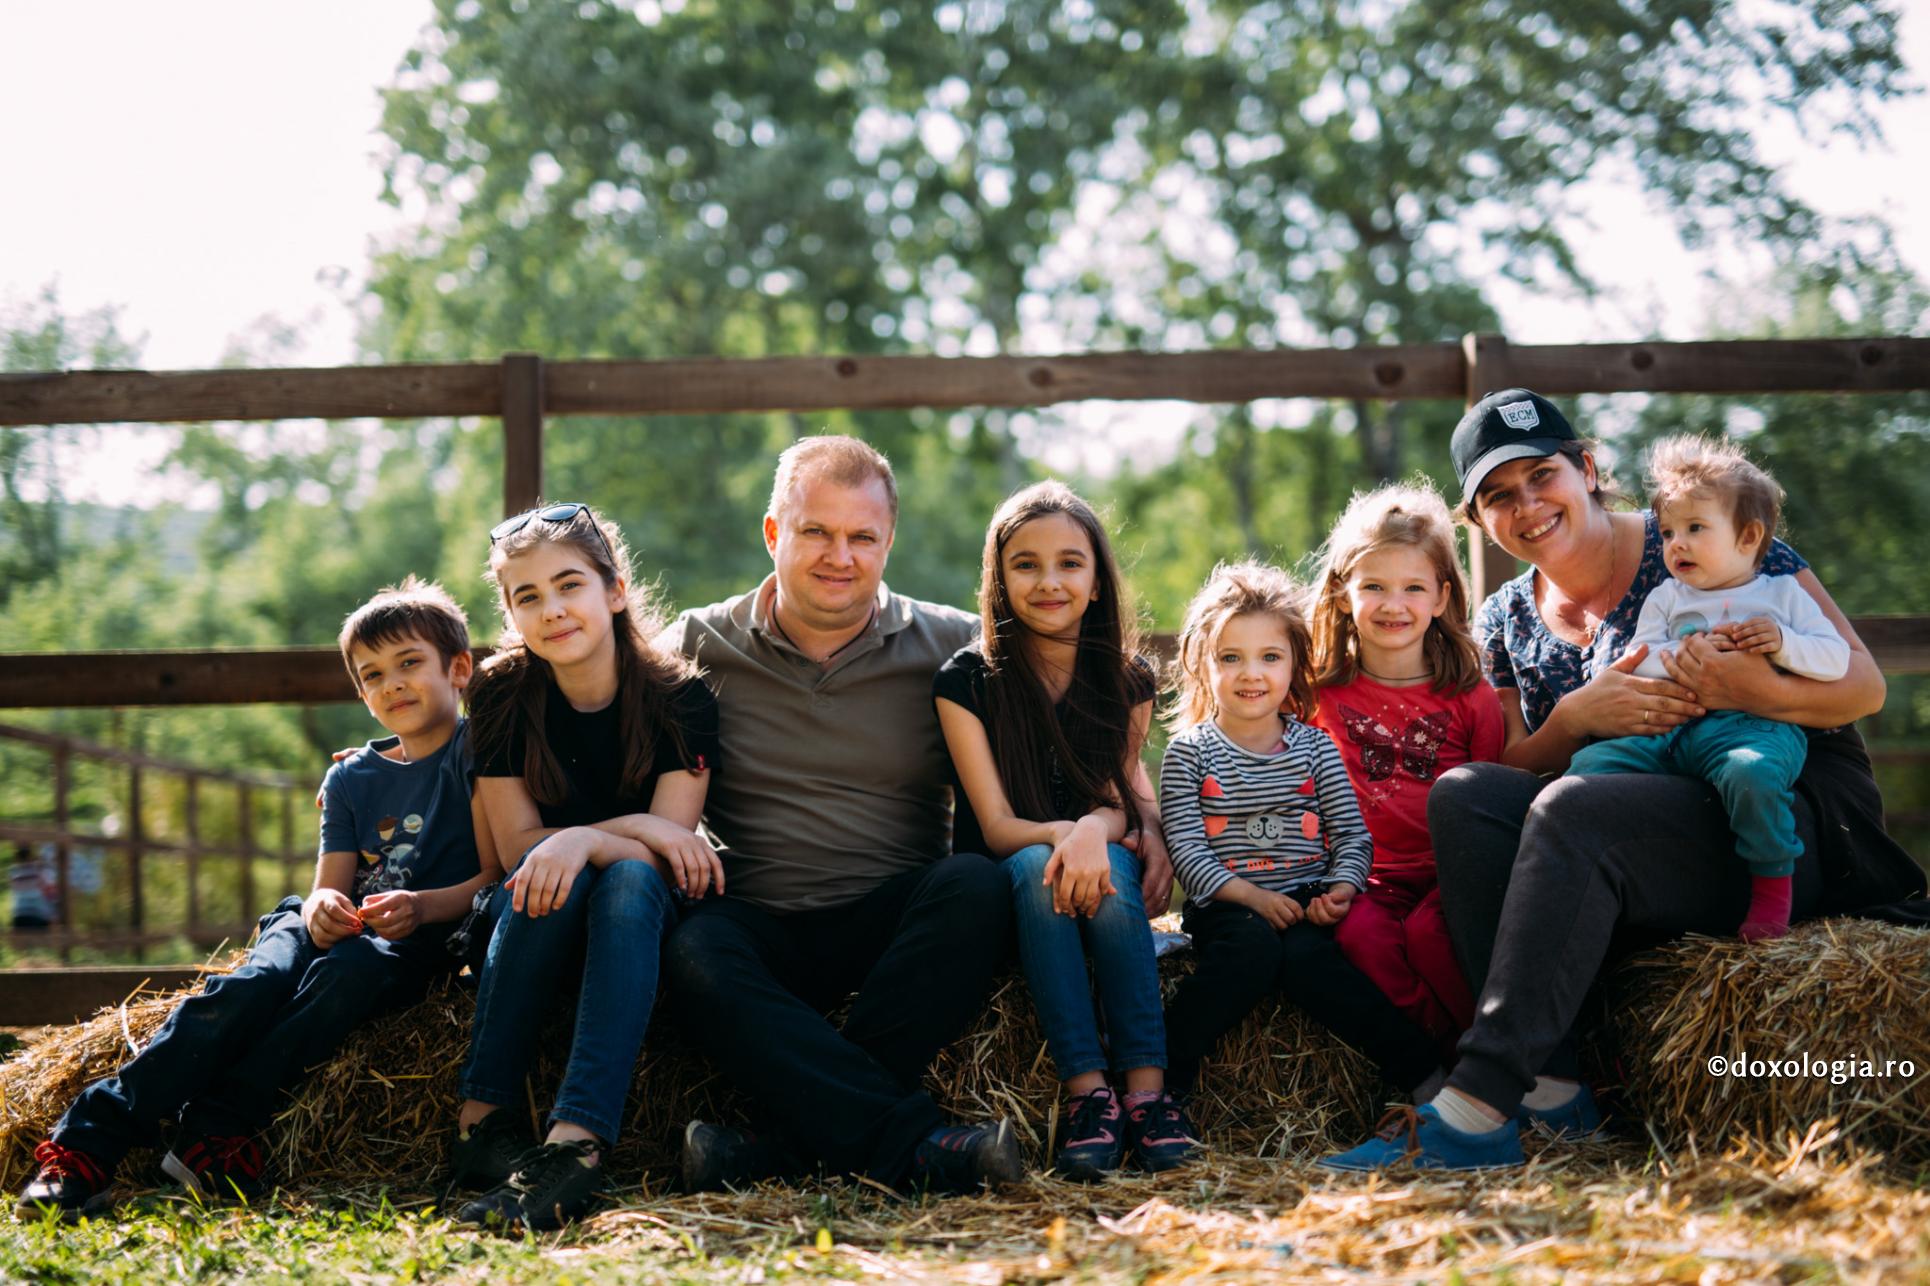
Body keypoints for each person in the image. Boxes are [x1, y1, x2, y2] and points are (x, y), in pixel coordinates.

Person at [1321, 387, 1926, 1172]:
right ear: (1481, 524)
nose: (1528, 505)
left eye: (1543, 476)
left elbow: (1864, 687)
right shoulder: (1506, 616)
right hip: (1637, 842)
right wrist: (1573, 721)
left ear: (1587, 467)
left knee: (1577, 804)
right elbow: (1513, 766)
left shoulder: (1698, 538)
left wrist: (1746, 690)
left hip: (1779, 817)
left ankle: (1476, 1104)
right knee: (1467, 793)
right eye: (1500, 497)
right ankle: (1553, 1088)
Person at [16, 578, 499, 1220]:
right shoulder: (351, 776)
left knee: (349, 976)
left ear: (458, 669)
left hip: (414, 942)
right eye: (372, 675)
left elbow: (494, 873)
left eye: (410, 663)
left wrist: (423, 907)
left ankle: (217, 1125)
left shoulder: (482, 756)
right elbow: (329, 882)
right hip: (323, 922)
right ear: (361, 694)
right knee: (252, 985)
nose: (392, 685)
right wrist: (323, 907)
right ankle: (87, 1143)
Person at [658, 435, 1027, 1195]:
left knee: (978, 888)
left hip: (895, 924)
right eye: (815, 532)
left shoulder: (953, 645)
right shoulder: (698, 642)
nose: (840, 556)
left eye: (862, 536)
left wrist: (1140, 825)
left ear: (889, 541)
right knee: (692, 950)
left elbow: (1065, 725)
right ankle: (912, 1147)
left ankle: (780, 1149)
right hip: (756, 918)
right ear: (772, 533)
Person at [450, 502, 722, 1230]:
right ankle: (482, 1124)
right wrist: (622, 828)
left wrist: (579, 839)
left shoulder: (682, 697)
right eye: (527, 596)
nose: (553, 610)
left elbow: (675, 851)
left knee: (629, 876)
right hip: (533, 915)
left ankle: (575, 1146)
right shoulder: (501, 695)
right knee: (565, 870)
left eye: (570, 585)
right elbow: (517, 852)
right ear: (510, 611)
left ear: (616, 589)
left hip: (640, 925)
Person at [934, 481, 1196, 1180]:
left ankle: (1146, 1093)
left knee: (1107, 866)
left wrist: (1090, 830)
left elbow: (1118, 793)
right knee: (1030, 868)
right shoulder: (967, 682)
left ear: (1098, 581)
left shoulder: (1127, 679)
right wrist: (1069, 835)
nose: (1049, 581)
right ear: (998, 578)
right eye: (1026, 564)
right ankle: (1090, 1096)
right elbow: (992, 827)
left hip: (1095, 852)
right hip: (1010, 871)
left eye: (1069, 563)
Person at [1159, 561, 1448, 1110]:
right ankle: (1165, 1075)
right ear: (1203, 663)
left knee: (1311, 963)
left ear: (1295, 663)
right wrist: (1252, 898)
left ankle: (1424, 1074)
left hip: (1305, 900)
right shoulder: (1190, 753)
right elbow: (1188, 854)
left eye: (1270, 657)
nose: (1252, 674)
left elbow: (1352, 837)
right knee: (1250, 950)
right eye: (1231, 658)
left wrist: (1340, 889)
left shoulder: (1316, 749)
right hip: (1229, 903)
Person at [1566, 436, 1848, 942]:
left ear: (1748, 537)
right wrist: (1682, 658)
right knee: (1587, 771)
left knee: (1753, 776)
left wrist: (1782, 644)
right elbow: (1643, 656)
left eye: (1695, 528)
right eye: (1669, 531)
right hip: (1671, 727)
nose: (1676, 544)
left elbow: (1835, 659)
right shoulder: (1666, 597)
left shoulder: (1780, 595)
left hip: (1753, 728)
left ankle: (1771, 887)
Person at [1307, 483, 1503, 1051]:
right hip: (1364, 875)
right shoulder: (1320, 696)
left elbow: (1488, 803)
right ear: (1344, 594)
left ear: (1441, 597)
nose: (1394, 605)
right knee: (1362, 940)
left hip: (1450, 874)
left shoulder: (1471, 697)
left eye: (1413, 587)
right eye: (1375, 587)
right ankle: (1440, 1051)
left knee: (1429, 935)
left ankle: (1496, 1053)